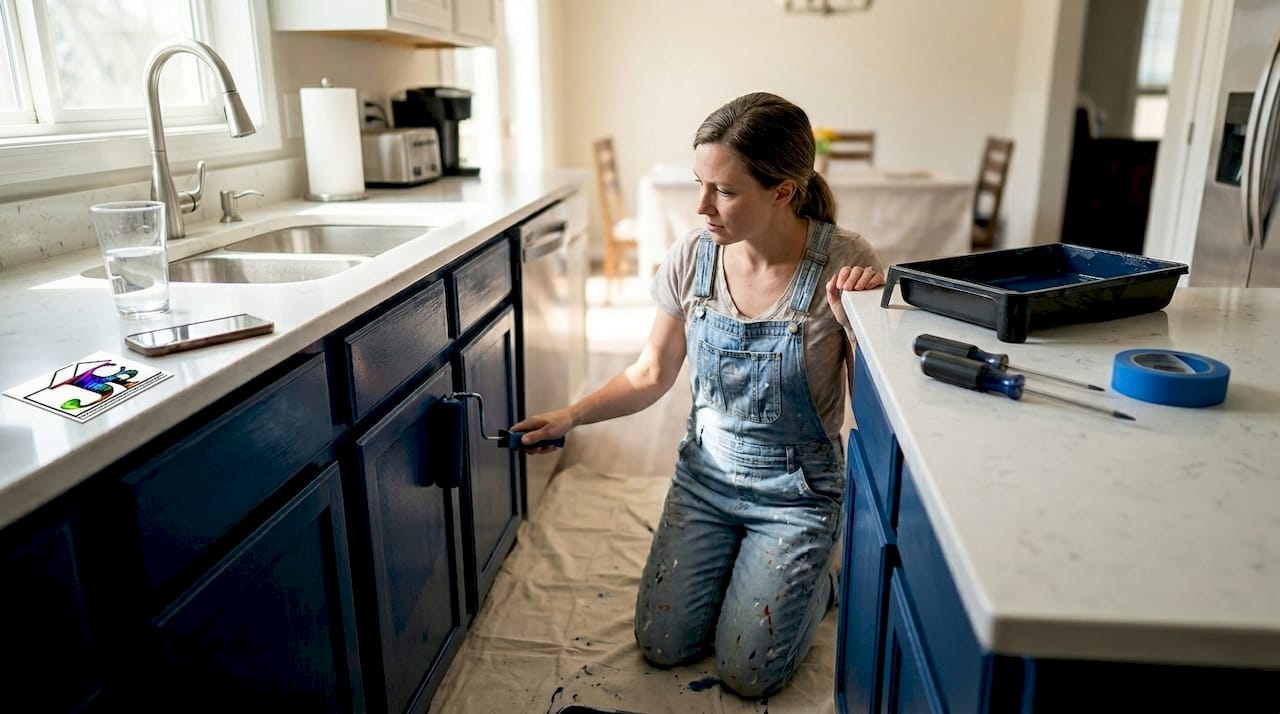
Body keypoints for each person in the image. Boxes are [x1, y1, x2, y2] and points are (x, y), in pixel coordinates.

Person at [511, 91, 885, 698]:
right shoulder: (693, 257)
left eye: (724, 191)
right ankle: (752, 563)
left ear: (784, 191)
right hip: (705, 483)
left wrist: (857, 328)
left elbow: (869, 417)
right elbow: (649, 372)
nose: (701, 206)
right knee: (663, 645)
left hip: (797, 497)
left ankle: (824, 574)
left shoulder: (845, 265)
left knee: (749, 672)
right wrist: (570, 416)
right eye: (700, 183)